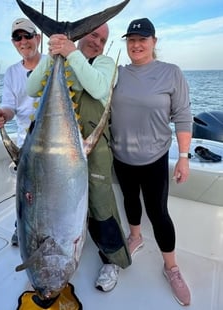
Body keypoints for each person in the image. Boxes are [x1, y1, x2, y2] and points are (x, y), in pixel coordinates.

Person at [26, 23, 131, 292]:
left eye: (103, 39)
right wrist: (53, 54)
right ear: (83, 35)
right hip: (53, 151)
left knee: (100, 204)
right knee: (53, 202)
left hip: (92, 149)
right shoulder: (60, 60)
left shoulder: (104, 63)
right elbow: (31, 88)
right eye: (93, 34)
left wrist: (71, 52)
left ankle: (111, 259)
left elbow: (98, 88)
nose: (97, 42)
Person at [110, 18, 192, 306]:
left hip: (155, 158)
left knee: (158, 212)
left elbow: (182, 115)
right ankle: (135, 237)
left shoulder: (171, 73)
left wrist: (183, 157)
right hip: (121, 157)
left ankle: (171, 267)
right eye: (131, 40)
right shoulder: (116, 73)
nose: (136, 45)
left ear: (154, 42)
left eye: (142, 39)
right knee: (131, 201)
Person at [0, 18, 43, 246]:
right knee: (27, 194)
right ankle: (22, 228)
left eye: (28, 36)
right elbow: (10, 107)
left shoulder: (52, 64)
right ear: (14, 43)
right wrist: (3, 113)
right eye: (17, 37)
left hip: (54, 142)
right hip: (26, 146)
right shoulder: (12, 73)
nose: (23, 41)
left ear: (38, 39)